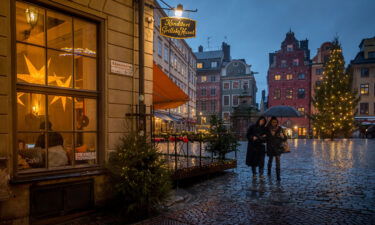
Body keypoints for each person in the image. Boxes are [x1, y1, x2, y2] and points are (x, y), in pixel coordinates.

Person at [265, 117, 287, 181]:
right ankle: (269, 172)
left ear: (277, 122)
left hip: (278, 147)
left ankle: (278, 176)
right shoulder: (267, 129)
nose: (274, 123)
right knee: (270, 159)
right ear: (270, 122)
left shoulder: (279, 128)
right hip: (270, 147)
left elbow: (285, 138)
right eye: (273, 122)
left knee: (278, 161)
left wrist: (283, 136)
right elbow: (265, 138)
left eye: (275, 122)